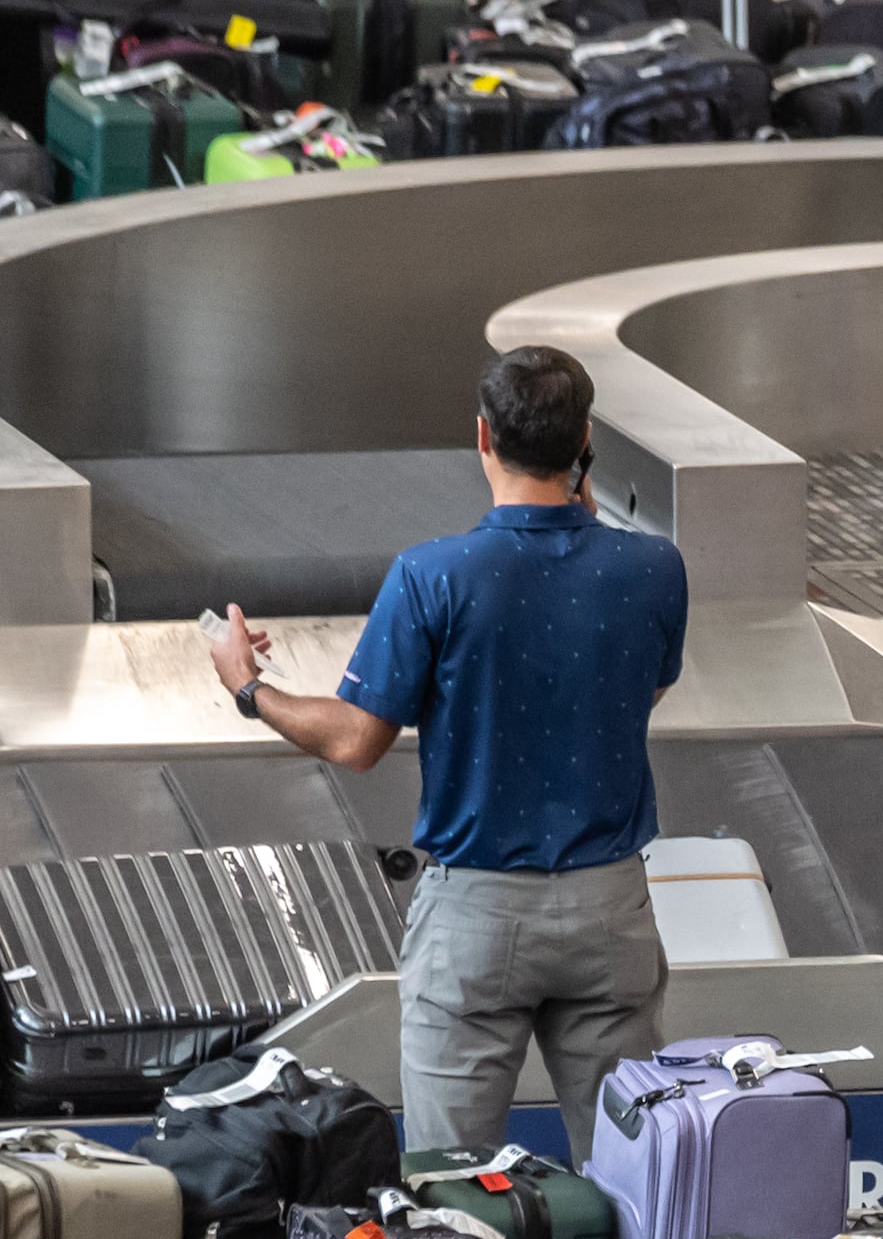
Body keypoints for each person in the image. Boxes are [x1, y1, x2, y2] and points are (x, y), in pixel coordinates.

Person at [203, 344, 687, 1157]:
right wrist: (585, 507)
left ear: (482, 439)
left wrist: (251, 687)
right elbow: (640, 692)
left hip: (478, 918)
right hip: (612, 912)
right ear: (586, 445)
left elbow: (357, 741)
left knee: (451, 1190)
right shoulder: (653, 568)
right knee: (629, 1175)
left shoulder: (434, 575)